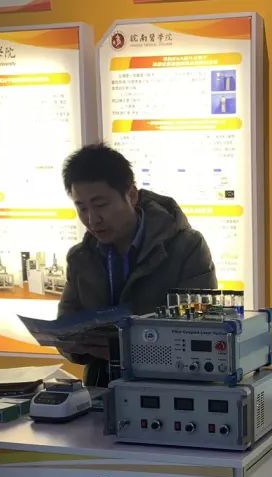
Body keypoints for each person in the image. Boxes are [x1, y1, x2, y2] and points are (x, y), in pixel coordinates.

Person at [57, 144, 217, 386]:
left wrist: (125, 349)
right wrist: (72, 344)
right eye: (82, 208)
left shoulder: (187, 247)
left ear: (131, 195)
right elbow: (65, 328)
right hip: (101, 388)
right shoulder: (80, 257)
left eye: (100, 205)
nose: (92, 219)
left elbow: (200, 333)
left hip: (169, 389)